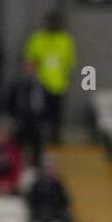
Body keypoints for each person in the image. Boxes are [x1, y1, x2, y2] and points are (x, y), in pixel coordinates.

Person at [24, 12, 76, 145]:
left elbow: (70, 62)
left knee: (56, 115)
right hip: (40, 84)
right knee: (38, 114)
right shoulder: (38, 38)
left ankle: (55, 139)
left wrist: (65, 76)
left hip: (58, 84)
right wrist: (33, 75)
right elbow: (30, 59)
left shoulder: (65, 39)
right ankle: (39, 140)